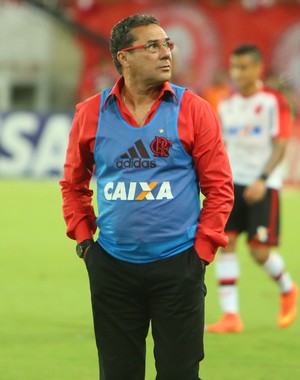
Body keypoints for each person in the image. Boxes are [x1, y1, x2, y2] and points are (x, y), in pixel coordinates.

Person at [60, 14, 234, 379]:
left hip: (178, 266)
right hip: (112, 268)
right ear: (124, 57)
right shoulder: (90, 113)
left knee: (179, 373)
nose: (166, 53)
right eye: (152, 46)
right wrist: (86, 245)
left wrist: (201, 253)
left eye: (167, 44)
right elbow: (73, 185)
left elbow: (219, 189)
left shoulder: (194, 110)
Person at [206, 44, 298, 334]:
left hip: (263, 184)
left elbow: (282, 143)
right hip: (232, 184)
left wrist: (263, 178)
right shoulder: (226, 104)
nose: (238, 73)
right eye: (234, 67)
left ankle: (288, 288)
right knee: (226, 244)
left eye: (244, 67)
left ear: (258, 68)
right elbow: (221, 146)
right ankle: (231, 316)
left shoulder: (274, 101)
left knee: (259, 251)